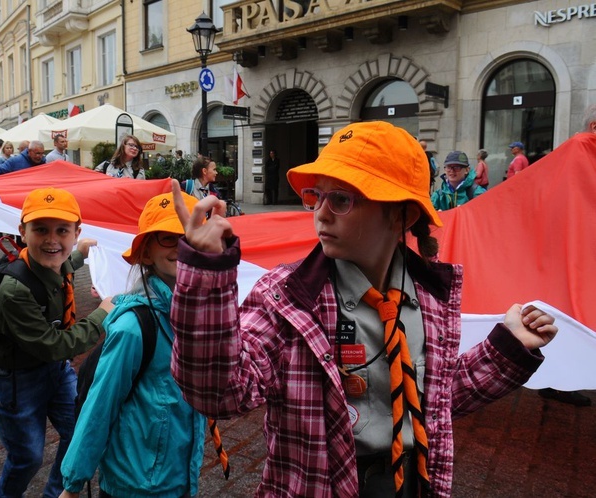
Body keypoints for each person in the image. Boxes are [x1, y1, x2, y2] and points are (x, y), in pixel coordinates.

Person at [169, 121, 557, 497]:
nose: (320, 213)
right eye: (316, 196)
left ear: (402, 214)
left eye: (341, 199)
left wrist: (507, 348)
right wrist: (206, 273)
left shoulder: (430, 298)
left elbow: (435, 400)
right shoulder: (286, 298)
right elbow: (220, 392)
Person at [59, 192, 207, 498]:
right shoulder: (133, 327)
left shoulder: (200, 316)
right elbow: (101, 405)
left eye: (191, 236)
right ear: (147, 253)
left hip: (180, 479)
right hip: (136, 485)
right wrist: (73, 484)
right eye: (168, 237)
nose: (181, 247)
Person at [0, 187, 111, 498]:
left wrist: (79, 254)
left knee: (78, 433)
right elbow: (55, 345)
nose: (52, 240)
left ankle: (54, 494)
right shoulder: (14, 290)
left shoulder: (52, 260)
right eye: (40, 230)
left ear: (77, 232)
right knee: (27, 457)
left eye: (62, 230)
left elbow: (57, 265)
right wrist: (101, 314)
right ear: (22, 232)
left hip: (51, 369)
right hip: (11, 377)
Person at [536, 106, 595, 408]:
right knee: (564, 312)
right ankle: (557, 381)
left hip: (575, 248)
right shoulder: (582, 150)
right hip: (568, 250)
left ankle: (556, 378)